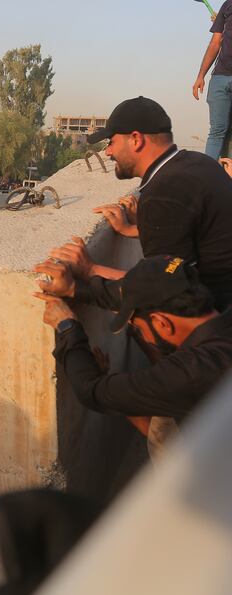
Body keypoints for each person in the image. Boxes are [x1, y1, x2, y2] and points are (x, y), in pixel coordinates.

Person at [61, 96, 232, 310]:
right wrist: (134, 228)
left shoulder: (164, 192)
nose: (108, 152)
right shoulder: (198, 163)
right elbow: (192, 228)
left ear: (135, 139)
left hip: (219, 319)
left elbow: (166, 290)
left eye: (111, 142)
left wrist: (89, 271)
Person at [33, 255, 232, 428]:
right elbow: (147, 289)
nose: (143, 336)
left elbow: (92, 392)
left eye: (137, 326)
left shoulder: (192, 373)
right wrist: (74, 289)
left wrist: (67, 327)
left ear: (161, 323)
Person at [193, 1, 232, 160]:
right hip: (220, 77)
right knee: (217, 131)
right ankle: (210, 177)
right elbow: (215, 43)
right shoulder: (228, 4)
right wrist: (201, 75)